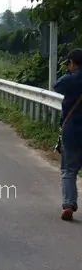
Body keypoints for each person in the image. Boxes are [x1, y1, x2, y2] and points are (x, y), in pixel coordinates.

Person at [53, 48, 82, 221]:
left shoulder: (71, 80)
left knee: (69, 171)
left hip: (72, 132)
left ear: (72, 63)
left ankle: (69, 204)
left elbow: (57, 86)